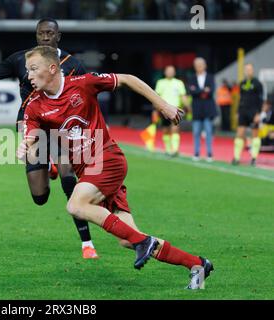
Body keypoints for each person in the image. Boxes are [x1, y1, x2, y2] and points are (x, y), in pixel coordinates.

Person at [19, 46, 214, 289]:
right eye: (27, 71)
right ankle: (197, 264)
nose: (28, 76)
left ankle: (145, 243)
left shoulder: (82, 84)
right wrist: (26, 148)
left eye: (33, 69)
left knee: (75, 205)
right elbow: (30, 138)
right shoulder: (34, 105)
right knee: (128, 238)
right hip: (90, 174)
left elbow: (128, 79)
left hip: (107, 160)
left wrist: (163, 105)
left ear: (52, 68)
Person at [0, 18, 99, 259]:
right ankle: (49, 166)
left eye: (50, 33)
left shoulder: (72, 64)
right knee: (40, 197)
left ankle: (87, 244)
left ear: (58, 36)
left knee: (69, 179)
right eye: (41, 33)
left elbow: (88, 97)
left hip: (62, 125)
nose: (45, 37)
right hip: (31, 125)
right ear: (36, 36)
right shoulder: (21, 60)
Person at [232, 63, 264, 166]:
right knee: (240, 134)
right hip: (243, 112)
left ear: (253, 70)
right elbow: (241, 98)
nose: (248, 71)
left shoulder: (258, 83)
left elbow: (261, 99)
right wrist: (238, 111)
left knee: (255, 134)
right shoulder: (242, 83)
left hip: (254, 112)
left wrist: (259, 113)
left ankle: (254, 158)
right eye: (246, 69)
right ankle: (236, 157)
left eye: (250, 69)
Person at [154, 65, 190, 157]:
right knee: (165, 130)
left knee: (175, 128)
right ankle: (167, 149)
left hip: (175, 109)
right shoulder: (160, 82)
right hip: (164, 110)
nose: (170, 72)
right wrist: (155, 109)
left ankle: (175, 150)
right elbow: (156, 96)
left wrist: (188, 107)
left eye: (172, 71)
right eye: (168, 71)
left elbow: (183, 96)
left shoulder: (179, 83)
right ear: (165, 72)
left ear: (174, 72)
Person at [187, 57, 217, 162]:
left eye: (200, 65)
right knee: (196, 132)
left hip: (208, 109)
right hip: (196, 109)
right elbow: (191, 91)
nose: (199, 67)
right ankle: (196, 152)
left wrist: (197, 90)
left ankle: (209, 153)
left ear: (205, 66)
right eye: (197, 65)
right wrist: (203, 90)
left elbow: (211, 90)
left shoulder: (210, 77)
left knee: (209, 131)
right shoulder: (191, 78)